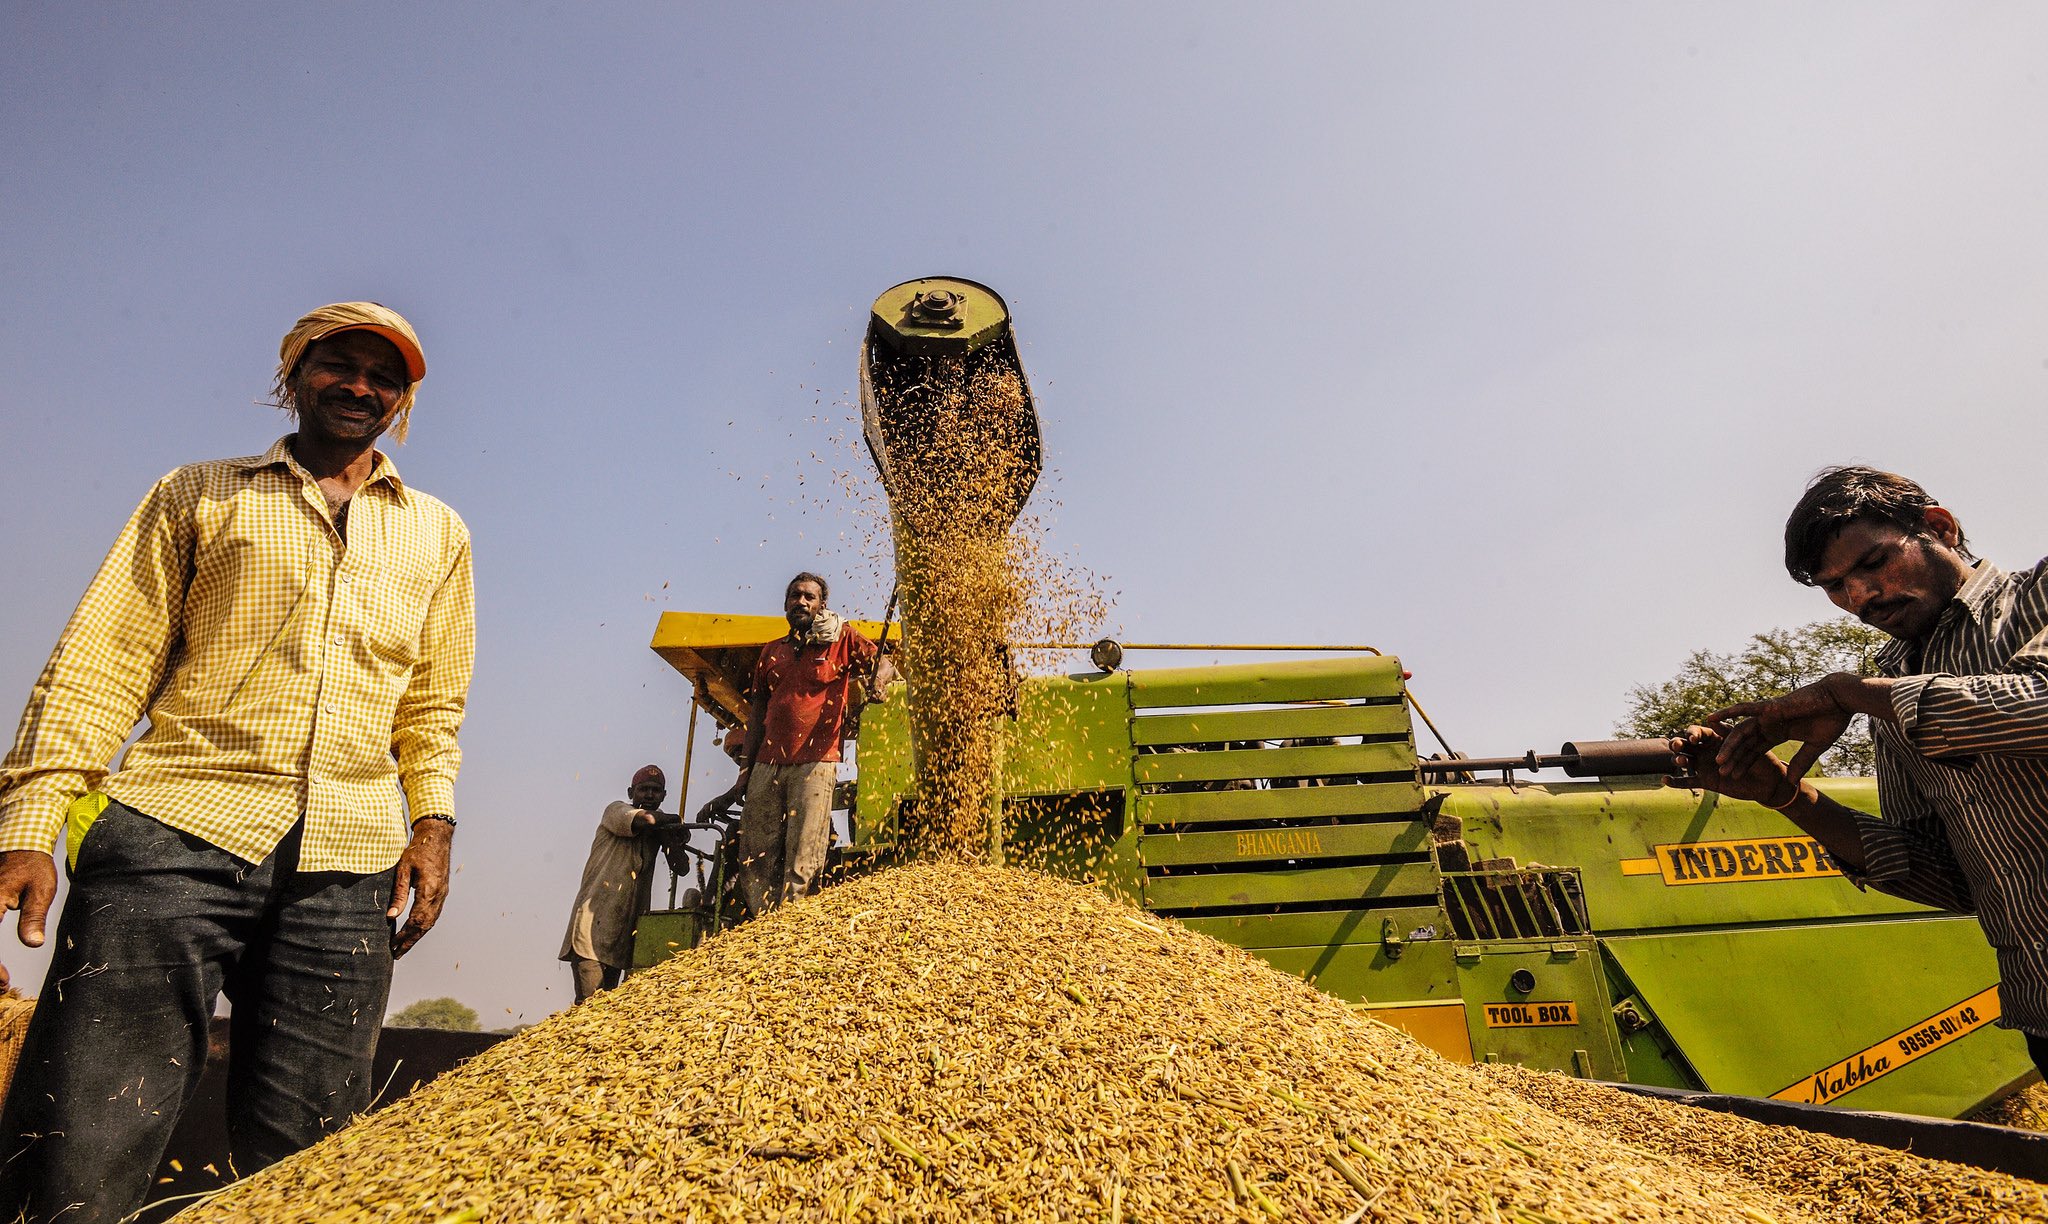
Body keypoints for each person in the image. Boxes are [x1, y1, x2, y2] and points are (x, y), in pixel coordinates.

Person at [0, 302, 475, 1223]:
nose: (360, 387)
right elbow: (102, 664)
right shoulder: (200, 493)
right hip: (174, 836)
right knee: (84, 1137)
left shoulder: (437, 532)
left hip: (347, 866)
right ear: (291, 376)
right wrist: (28, 827)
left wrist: (434, 824)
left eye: (385, 379)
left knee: (312, 1163)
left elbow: (432, 705)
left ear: (402, 405)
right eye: (339, 365)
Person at [1671, 466, 2048, 1074]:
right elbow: (1946, 875)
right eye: (1835, 586)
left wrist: (1856, 695)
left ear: (1939, 528)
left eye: (1873, 564)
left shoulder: (2038, 599)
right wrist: (1785, 795)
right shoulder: (1887, 684)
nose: (1861, 598)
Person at [737, 573, 893, 918]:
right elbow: (758, 713)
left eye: (810, 597)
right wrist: (744, 773)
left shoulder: (842, 640)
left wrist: (878, 683)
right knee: (755, 848)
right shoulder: (771, 651)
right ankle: (761, 924)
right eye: (795, 596)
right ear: (785, 604)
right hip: (767, 762)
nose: (801, 602)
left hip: (816, 761)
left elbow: (883, 663)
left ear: (823, 605)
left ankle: (792, 921)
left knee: (804, 849)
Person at [559, 765, 679, 1002]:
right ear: (630, 792)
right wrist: (672, 820)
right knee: (591, 1008)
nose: (649, 795)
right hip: (593, 929)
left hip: (624, 935)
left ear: (664, 795)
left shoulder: (658, 828)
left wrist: (672, 837)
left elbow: (681, 867)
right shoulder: (616, 811)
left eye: (656, 791)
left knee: (610, 1008)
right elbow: (647, 820)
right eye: (643, 789)